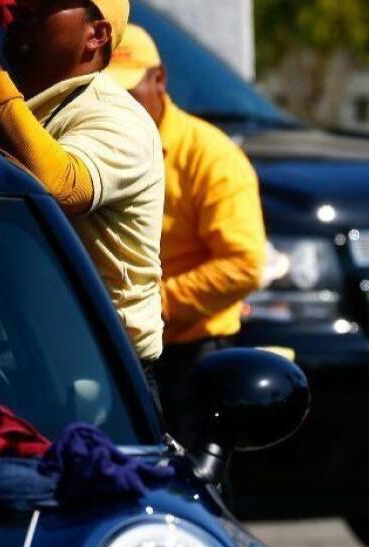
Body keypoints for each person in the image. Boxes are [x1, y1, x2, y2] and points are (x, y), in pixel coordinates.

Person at [0, 0, 166, 380]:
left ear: (96, 35)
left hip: (96, 383)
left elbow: (61, 188)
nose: (23, 7)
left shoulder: (117, 116)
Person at [106, 25, 266, 438]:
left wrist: (158, 302)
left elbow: (244, 263)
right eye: (108, 93)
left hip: (193, 355)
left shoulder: (211, 157)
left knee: (195, 483)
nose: (119, 105)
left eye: (129, 89)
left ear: (159, 79)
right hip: (117, 346)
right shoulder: (99, 146)